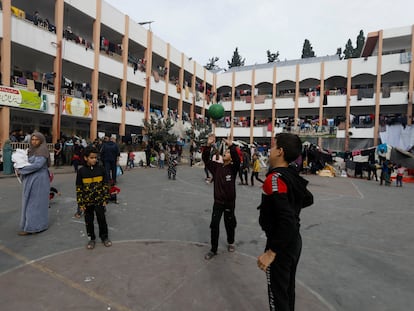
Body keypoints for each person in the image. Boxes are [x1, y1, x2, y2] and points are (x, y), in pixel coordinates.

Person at [257, 133, 314, 311]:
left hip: (281, 244)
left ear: (280, 152)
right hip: (294, 241)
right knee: (287, 290)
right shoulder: (292, 175)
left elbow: (287, 220)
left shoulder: (274, 179)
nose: (270, 150)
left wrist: (272, 251)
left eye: (273, 147)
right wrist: (292, 207)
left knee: (278, 295)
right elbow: (308, 198)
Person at [203, 134, 240, 260]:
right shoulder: (216, 168)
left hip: (230, 203)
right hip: (218, 202)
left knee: (229, 223)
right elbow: (205, 160)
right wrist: (208, 145)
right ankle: (213, 249)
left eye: (228, 152)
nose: (226, 152)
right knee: (214, 224)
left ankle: (231, 241)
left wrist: (231, 145)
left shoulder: (233, 168)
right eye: (226, 151)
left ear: (231, 158)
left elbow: (238, 159)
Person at [76, 146, 112, 249]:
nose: (94, 160)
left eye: (95, 157)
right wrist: (80, 204)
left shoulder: (101, 169)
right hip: (87, 202)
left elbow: (105, 184)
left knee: (102, 219)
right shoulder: (81, 171)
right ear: (86, 158)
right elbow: (79, 188)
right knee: (89, 221)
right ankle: (91, 238)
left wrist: (105, 198)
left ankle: (104, 237)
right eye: (92, 157)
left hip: (99, 201)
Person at [16, 132, 51, 235]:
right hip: (30, 178)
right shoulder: (31, 150)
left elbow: (37, 165)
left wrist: (21, 169)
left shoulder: (42, 150)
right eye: (32, 139)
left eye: (37, 139)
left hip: (39, 180)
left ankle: (33, 227)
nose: (34, 141)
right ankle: (30, 225)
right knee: (30, 203)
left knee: (35, 204)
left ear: (41, 140)